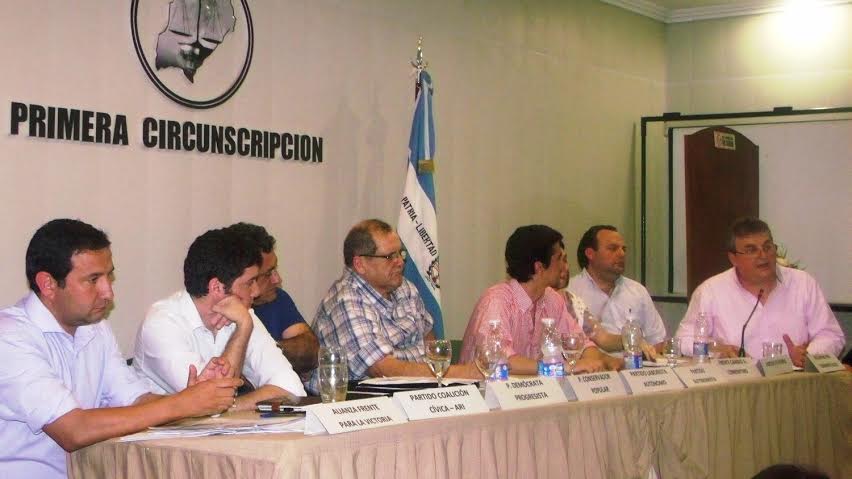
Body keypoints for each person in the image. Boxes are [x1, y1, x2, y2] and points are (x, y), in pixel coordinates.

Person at [0, 219, 241, 478]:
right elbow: (73, 430)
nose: (108, 293)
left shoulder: (95, 328)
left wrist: (195, 399)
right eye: (93, 279)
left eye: (109, 276)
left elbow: (134, 399)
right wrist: (181, 405)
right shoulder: (9, 337)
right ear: (48, 284)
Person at [133, 227, 305, 411]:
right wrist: (244, 328)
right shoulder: (161, 323)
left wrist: (232, 407)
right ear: (216, 287)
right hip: (158, 429)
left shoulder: (242, 314)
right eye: (249, 283)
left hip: (216, 428)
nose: (256, 292)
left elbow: (292, 390)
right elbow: (210, 400)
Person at [310, 219, 480, 390]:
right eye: (389, 256)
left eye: (400, 253)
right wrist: (462, 373)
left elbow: (429, 339)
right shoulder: (347, 300)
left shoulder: (405, 288)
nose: (400, 262)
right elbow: (383, 370)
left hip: (414, 390)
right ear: (360, 265)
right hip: (358, 398)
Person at [675, 217, 845, 365]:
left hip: (794, 382)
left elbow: (831, 335)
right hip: (737, 384)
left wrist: (809, 355)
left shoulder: (803, 284)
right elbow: (683, 340)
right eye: (751, 250)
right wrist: (716, 350)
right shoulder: (711, 291)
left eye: (767, 247)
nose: (763, 255)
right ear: (733, 258)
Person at [460, 225, 622, 373]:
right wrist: (561, 367)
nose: (565, 266)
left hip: (530, 391)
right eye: (559, 259)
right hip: (483, 392)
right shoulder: (497, 301)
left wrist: (600, 361)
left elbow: (581, 344)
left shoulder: (552, 299)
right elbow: (499, 361)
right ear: (539, 267)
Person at [226, 223, 319, 375]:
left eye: (276, 269)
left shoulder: (277, 298)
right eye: (268, 273)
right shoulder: (222, 316)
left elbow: (310, 350)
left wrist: (262, 350)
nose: (277, 279)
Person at [568, 225, 666, 359]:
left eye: (623, 249)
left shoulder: (637, 291)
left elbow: (657, 341)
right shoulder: (570, 292)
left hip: (637, 368)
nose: (622, 254)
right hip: (594, 368)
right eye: (613, 248)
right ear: (590, 254)